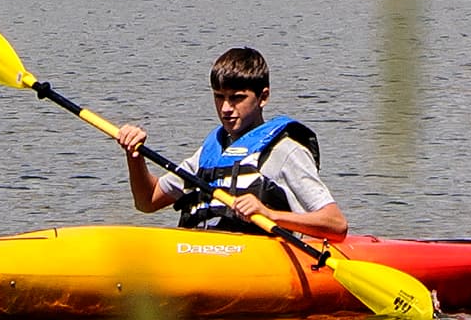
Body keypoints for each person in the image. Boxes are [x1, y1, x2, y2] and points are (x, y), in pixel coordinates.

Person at [116, 45, 347, 240]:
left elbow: (336, 224)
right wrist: (134, 155)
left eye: (237, 98)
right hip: (202, 257)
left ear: (263, 97)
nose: (226, 109)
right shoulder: (210, 152)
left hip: (257, 262)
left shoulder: (285, 151)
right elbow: (147, 201)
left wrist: (269, 214)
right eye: (219, 97)